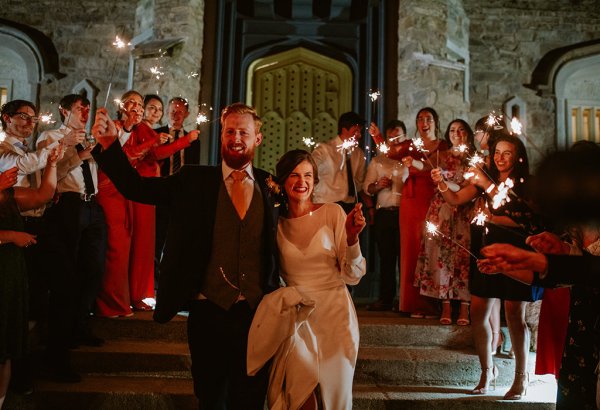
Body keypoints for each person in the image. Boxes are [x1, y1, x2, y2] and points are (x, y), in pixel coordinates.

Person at [91, 102, 280, 409]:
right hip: (208, 310)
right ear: (221, 136)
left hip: (257, 312)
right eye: (229, 131)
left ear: (257, 138)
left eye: (243, 132)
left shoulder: (271, 186)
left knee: (250, 397)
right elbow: (135, 187)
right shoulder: (192, 180)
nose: (235, 138)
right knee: (209, 394)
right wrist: (111, 145)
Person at [247, 149, 366, 409]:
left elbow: (352, 275)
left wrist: (352, 238)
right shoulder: (274, 224)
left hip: (336, 317)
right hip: (298, 317)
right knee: (300, 396)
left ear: (314, 180)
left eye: (308, 175)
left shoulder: (333, 213)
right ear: (281, 181)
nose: (302, 182)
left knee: (334, 400)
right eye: (294, 175)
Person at [432, 134, 543, 399]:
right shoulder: (485, 179)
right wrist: (442, 184)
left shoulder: (527, 185)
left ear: (518, 157)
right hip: (486, 250)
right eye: (497, 152)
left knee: (514, 315)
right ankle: (487, 370)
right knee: (478, 312)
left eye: (506, 153)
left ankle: (521, 377)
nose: (499, 158)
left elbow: (526, 219)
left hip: (516, 253)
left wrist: (495, 215)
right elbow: (456, 200)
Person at [35, 94, 108, 382]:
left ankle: (80, 326)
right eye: (80, 108)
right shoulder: (50, 136)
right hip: (67, 205)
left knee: (94, 270)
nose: (85, 112)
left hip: (93, 205)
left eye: (88, 109)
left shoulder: (89, 137)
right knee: (67, 278)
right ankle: (58, 349)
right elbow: (48, 173)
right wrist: (78, 155)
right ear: (65, 111)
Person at [0, 147, 60, 408]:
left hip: (10, 276)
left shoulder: (9, 195)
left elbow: (42, 195)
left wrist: (52, 164)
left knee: (5, 346)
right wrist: (11, 236)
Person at [415, 119, 475, 325]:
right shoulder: (441, 155)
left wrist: (443, 182)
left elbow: (464, 188)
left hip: (464, 211)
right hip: (440, 211)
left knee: (463, 258)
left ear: (467, 134)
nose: (456, 133)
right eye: (452, 130)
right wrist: (411, 161)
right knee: (441, 256)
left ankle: (465, 307)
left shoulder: (474, 159)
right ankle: (446, 304)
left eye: (461, 130)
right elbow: (423, 165)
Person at [396, 107, 448, 318]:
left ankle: (432, 305)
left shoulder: (443, 146)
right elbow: (389, 152)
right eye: (420, 119)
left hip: (434, 200)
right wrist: (376, 136)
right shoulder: (410, 145)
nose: (423, 122)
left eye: (428, 118)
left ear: (435, 122)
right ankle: (411, 304)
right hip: (411, 201)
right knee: (411, 250)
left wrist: (418, 163)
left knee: (432, 251)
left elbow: (440, 165)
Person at [363, 120, 406, 311]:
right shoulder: (378, 160)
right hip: (384, 213)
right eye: (391, 138)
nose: (395, 141)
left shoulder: (410, 159)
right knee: (387, 258)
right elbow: (367, 188)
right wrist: (378, 185)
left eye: (399, 137)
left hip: (406, 213)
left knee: (406, 259)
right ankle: (386, 298)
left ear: (406, 138)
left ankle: (405, 300)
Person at [312, 111, 367, 214]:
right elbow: (310, 172)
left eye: (360, 131)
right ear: (344, 129)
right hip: (326, 203)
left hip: (349, 206)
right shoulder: (324, 150)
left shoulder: (358, 153)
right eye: (355, 131)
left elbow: (358, 182)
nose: (359, 135)